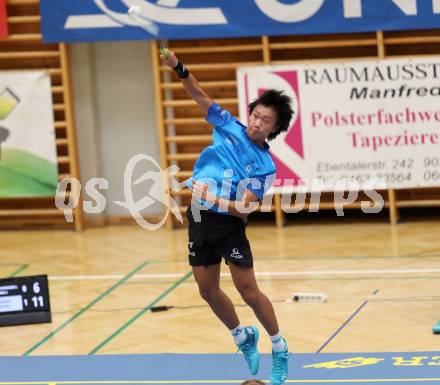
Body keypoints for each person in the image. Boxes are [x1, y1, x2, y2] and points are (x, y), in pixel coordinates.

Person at [161, 48, 293, 385]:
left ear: (274, 130)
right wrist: (177, 66)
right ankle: (242, 336)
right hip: (199, 216)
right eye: (256, 115)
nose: (257, 123)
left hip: (229, 224)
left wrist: (213, 196)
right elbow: (198, 93)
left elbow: (245, 208)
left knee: (249, 292)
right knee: (206, 290)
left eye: (266, 121)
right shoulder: (226, 124)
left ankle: (279, 347)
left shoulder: (265, 166)